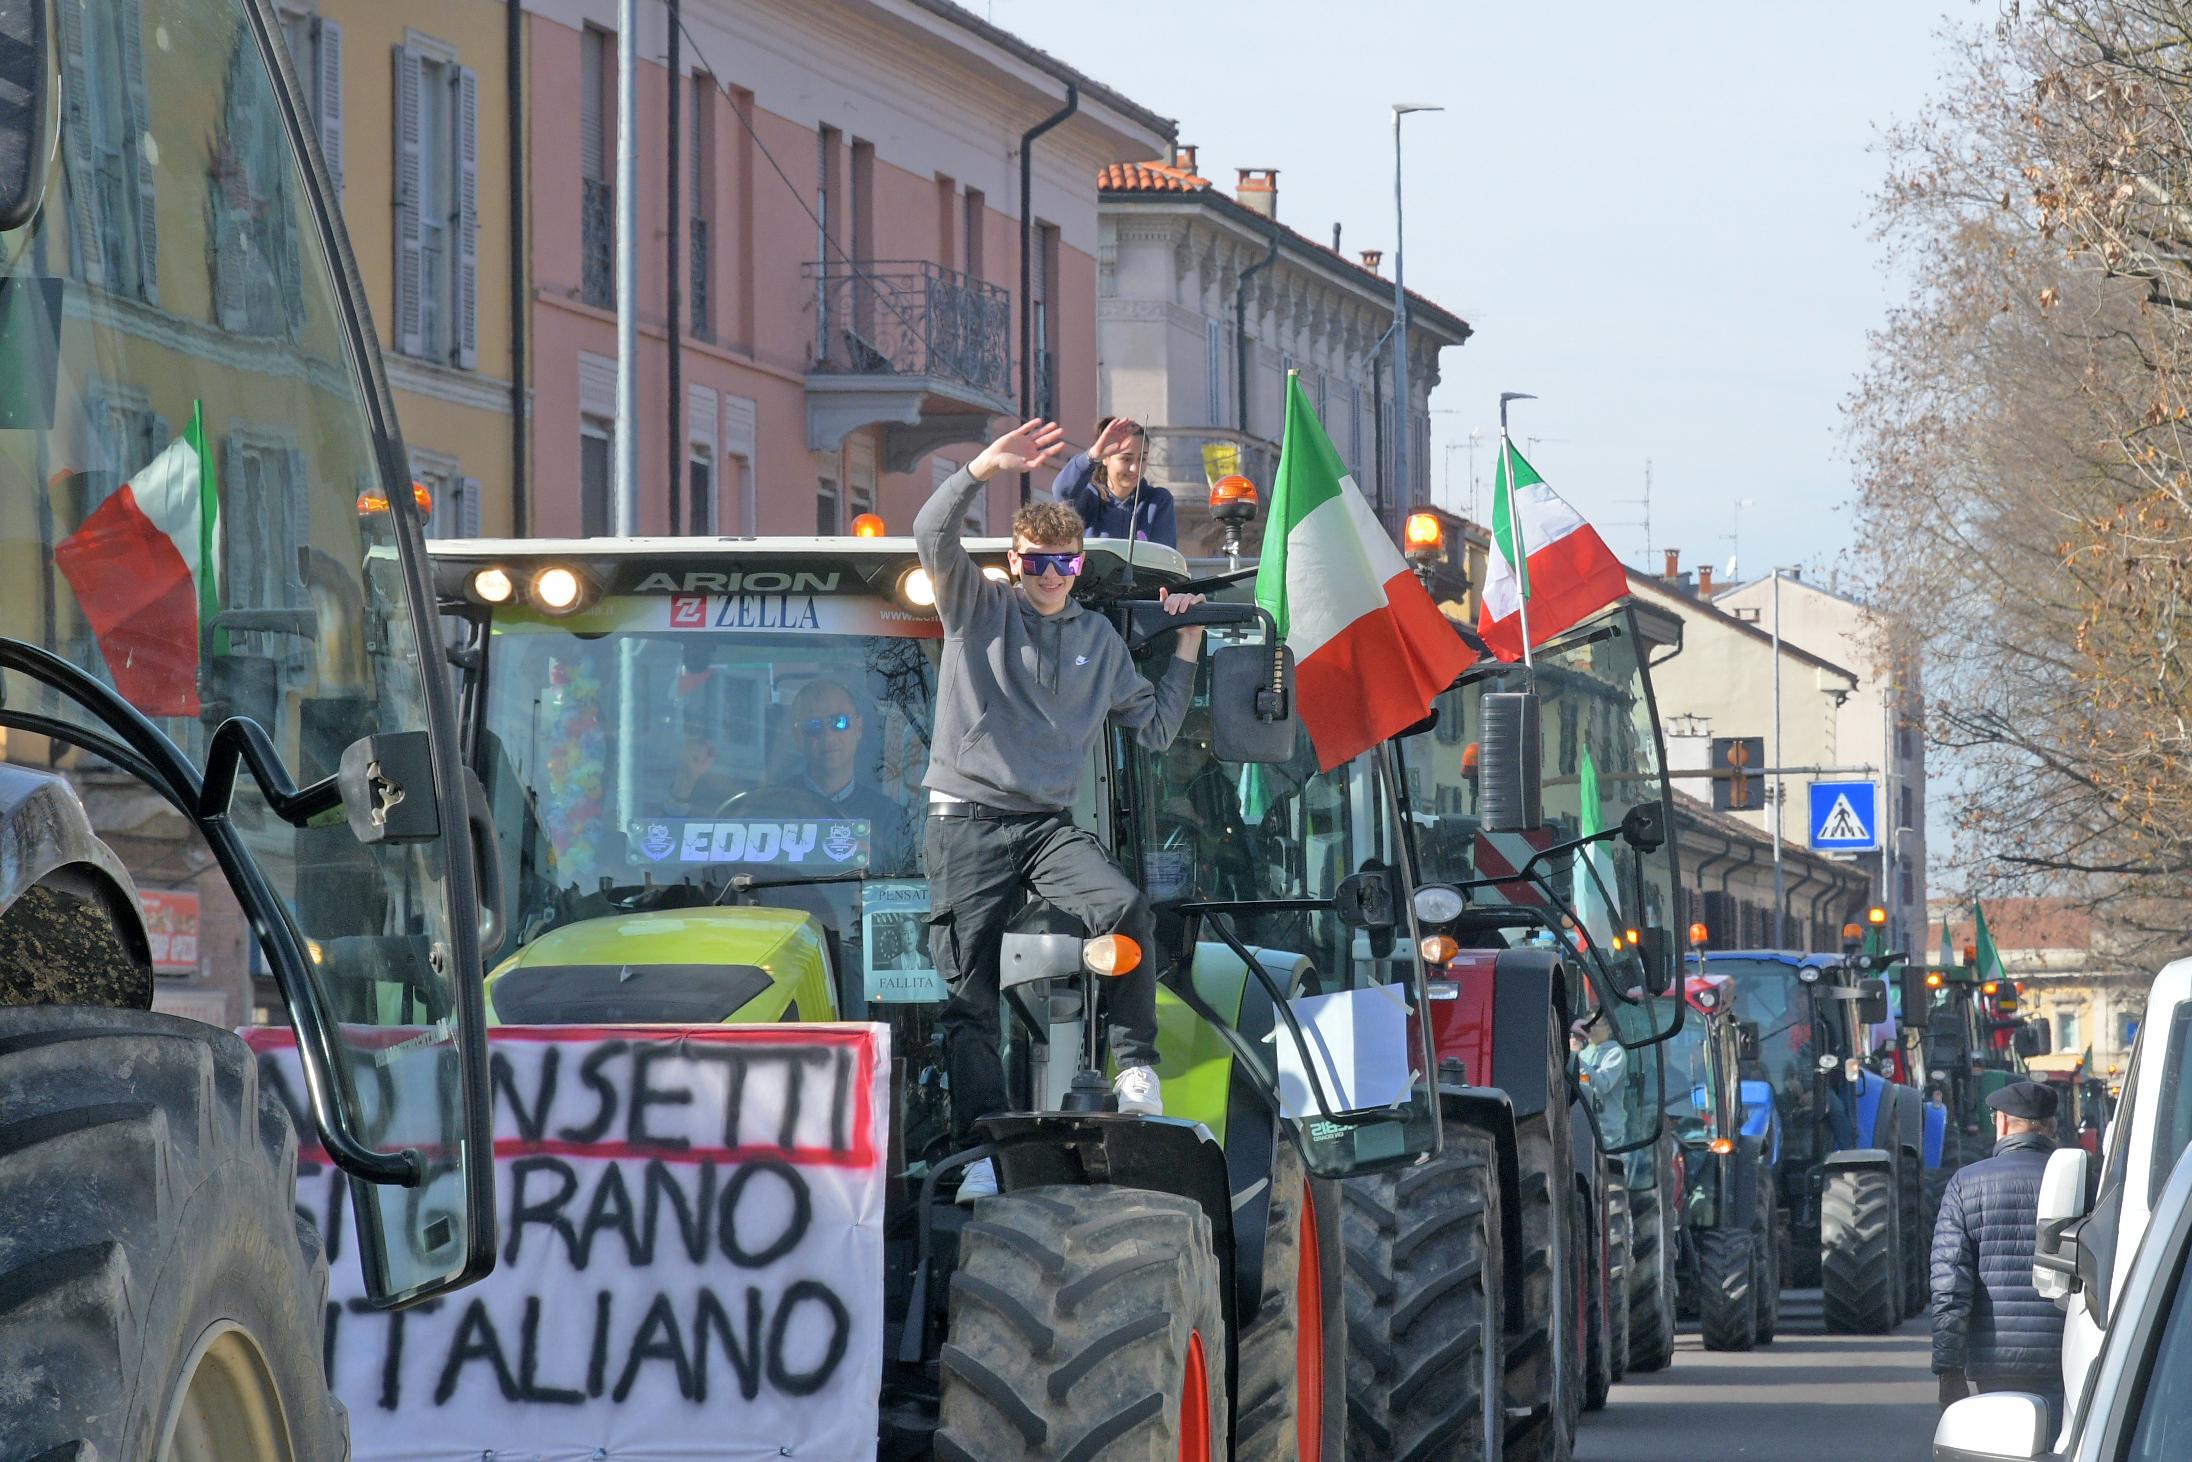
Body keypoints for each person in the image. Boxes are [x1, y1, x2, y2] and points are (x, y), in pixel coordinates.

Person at [917, 418, 1204, 1200]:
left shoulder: (1100, 644)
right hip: (966, 820)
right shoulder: (976, 610)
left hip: (1043, 827)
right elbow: (929, 528)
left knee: (1124, 907)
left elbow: (1157, 727)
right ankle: (980, 1154)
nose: (1051, 574)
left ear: (1078, 566)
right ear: (1015, 563)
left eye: (1064, 562)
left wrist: (1185, 645)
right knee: (966, 994)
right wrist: (982, 467)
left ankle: (1134, 1064)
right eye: (1038, 562)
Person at [1931, 1080, 2069, 1429]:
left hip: (1996, 1359)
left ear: (2004, 1122)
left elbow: (1950, 1287)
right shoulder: (2086, 1183)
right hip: (2069, 1355)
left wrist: (1949, 1369)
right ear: (2051, 1127)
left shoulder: (1966, 1184)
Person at [787, 678, 914, 872]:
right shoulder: (770, 809)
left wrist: (874, 869)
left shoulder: (890, 817)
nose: (827, 736)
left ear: (859, 728)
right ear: (797, 737)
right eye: (813, 726)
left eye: (839, 722)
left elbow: (902, 891)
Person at [1053, 415, 1178, 548]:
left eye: (1142, 459)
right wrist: (1092, 456)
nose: (1135, 468)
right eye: (1126, 459)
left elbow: (1163, 555)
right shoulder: (1089, 497)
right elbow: (1062, 491)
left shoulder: (1158, 501)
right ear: (1105, 458)